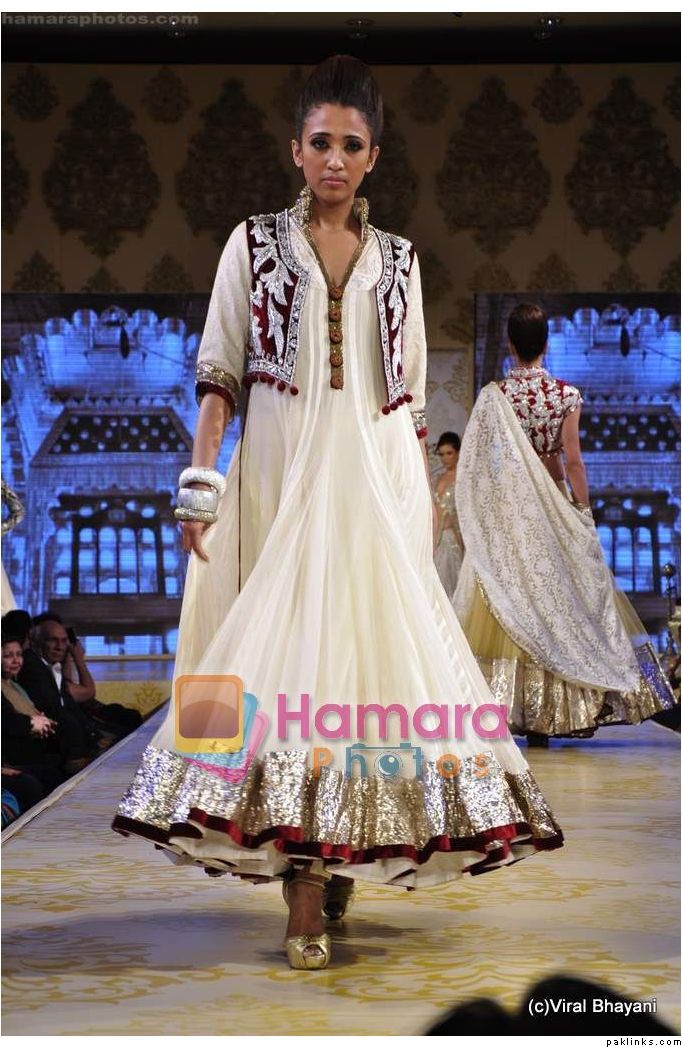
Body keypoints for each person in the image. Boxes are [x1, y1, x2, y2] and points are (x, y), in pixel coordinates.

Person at [112, 58, 563, 971]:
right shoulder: (252, 246)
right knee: (278, 667)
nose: (334, 159)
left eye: (351, 145)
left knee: (360, 674)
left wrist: (417, 509)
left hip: (372, 484)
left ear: (373, 157)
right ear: (295, 149)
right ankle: (305, 884)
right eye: (320, 142)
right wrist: (200, 482)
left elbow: (407, 402)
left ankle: (328, 855)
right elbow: (219, 374)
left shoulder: (401, 261)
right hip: (279, 479)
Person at [454, 302, 677, 747]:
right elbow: (572, 462)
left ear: (511, 345)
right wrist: (583, 512)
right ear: (546, 343)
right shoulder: (565, 395)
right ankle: (553, 714)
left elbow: (479, 464)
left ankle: (508, 709)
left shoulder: (496, 395)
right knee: (554, 603)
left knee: (510, 602)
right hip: (553, 507)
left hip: (511, 512)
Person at [1, 634, 69, 785]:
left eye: (19, 654)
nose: (16, 661)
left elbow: (31, 711)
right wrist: (34, 722)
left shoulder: (15, 685)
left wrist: (41, 720)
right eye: (8, 656)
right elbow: (9, 721)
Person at [432, 432, 464, 601]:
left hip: (452, 540)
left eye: (449, 453)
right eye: (442, 454)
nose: (445, 458)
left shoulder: (463, 479)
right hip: (435, 539)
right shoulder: (436, 478)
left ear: (458, 452)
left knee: (450, 589)